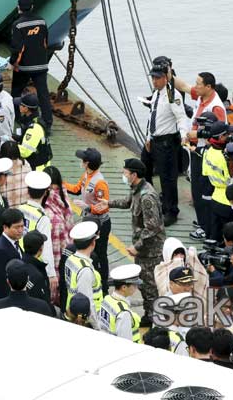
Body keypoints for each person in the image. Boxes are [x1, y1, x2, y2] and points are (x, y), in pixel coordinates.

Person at [102, 158, 165, 326]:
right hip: (142, 248)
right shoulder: (137, 189)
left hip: (150, 251)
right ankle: (148, 314)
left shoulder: (147, 196)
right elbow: (128, 202)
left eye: (125, 173)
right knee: (144, 285)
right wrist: (108, 203)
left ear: (134, 175)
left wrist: (137, 247)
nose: (123, 175)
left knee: (151, 288)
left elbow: (153, 227)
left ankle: (155, 320)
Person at [142, 62, 186, 226]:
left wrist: (183, 136)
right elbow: (152, 115)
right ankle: (151, 198)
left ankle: (171, 211)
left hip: (166, 142)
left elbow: (181, 117)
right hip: (154, 140)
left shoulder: (172, 95)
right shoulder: (157, 93)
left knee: (167, 178)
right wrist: (148, 137)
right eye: (153, 77)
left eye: (158, 78)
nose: (154, 80)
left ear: (166, 78)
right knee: (144, 168)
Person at [63, 148, 110, 288]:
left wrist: (88, 207)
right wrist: (61, 184)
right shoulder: (86, 175)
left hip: (100, 222)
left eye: (82, 160)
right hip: (88, 219)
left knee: (100, 253)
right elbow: (77, 189)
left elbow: (105, 206)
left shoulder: (99, 182)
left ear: (87, 163)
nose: (81, 162)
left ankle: (104, 283)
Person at [9, 0, 52, 132]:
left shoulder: (18, 25)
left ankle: (17, 117)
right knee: (43, 94)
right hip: (41, 65)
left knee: (16, 91)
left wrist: (13, 62)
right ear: (32, 7)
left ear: (19, 8)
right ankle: (47, 123)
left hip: (24, 67)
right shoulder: (42, 22)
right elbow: (46, 42)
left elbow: (18, 48)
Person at [200, 120, 233, 242]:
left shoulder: (208, 151)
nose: (230, 136)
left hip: (215, 198)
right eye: (227, 135)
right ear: (221, 137)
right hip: (228, 202)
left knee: (215, 236)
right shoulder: (225, 157)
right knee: (229, 238)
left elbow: (205, 172)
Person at [0, 208, 26, 305]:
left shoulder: (14, 242)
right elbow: (1, 283)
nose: (21, 230)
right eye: (17, 227)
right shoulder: (0, 250)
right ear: (5, 227)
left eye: (22, 226)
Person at [98, 264, 142, 342]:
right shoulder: (123, 313)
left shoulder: (107, 299)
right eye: (134, 285)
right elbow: (125, 342)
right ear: (124, 287)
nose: (136, 288)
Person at [15, 93, 52, 171]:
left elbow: (25, 152)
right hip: (38, 164)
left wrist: (10, 147)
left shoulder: (34, 128)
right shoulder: (34, 119)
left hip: (37, 169)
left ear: (26, 108)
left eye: (21, 105)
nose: (19, 106)